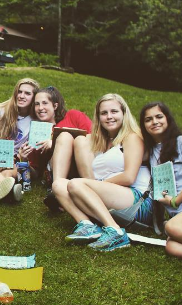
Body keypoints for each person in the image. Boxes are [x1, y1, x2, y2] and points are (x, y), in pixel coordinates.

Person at [52, 93, 151, 251]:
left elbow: (129, 176)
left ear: (124, 113)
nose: (109, 116)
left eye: (114, 112)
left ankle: (116, 231)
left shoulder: (132, 137)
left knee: (76, 184)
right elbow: (80, 141)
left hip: (138, 201)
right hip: (115, 196)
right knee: (58, 185)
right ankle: (87, 225)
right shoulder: (105, 141)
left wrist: (94, 185)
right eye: (104, 113)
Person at [139, 102, 182, 260]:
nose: (154, 122)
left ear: (168, 119)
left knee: (172, 227)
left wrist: (176, 200)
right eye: (148, 119)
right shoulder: (152, 152)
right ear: (143, 125)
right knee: (172, 246)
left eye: (159, 116)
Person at [25, 86, 92, 211]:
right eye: (37, 104)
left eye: (45, 103)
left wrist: (55, 142)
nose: (40, 108)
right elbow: (35, 172)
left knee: (64, 137)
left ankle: (90, 190)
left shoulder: (73, 116)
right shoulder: (37, 132)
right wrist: (24, 160)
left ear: (55, 106)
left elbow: (93, 136)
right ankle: (58, 192)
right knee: (64, 138)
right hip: (58, 172)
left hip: (84, 162)